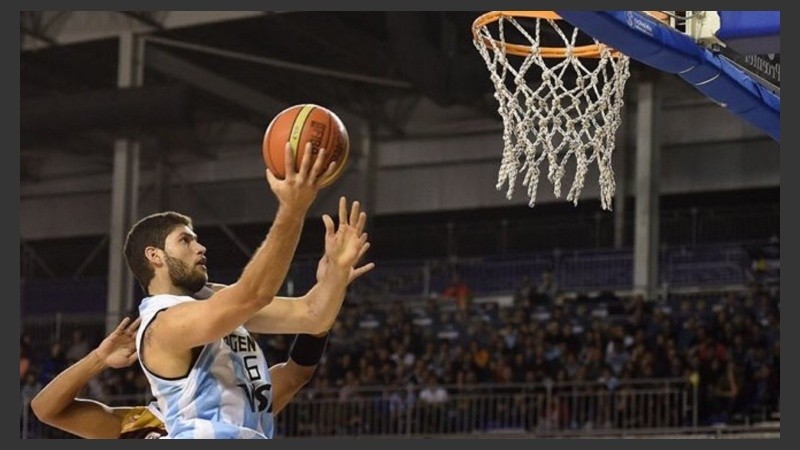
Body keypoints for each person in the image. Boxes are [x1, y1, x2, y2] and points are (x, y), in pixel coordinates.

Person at [127, 143, 370, 439]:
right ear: (155, 256)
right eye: (185, 241)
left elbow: (313, 315)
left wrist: (334, 277)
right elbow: (253, 294)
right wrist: (293, 209)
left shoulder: (209, 298)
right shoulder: (163, 324)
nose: (201, 248)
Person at [30, 245, 373, 439]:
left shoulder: (237, 408)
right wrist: (99, 358)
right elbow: (45, 409)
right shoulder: (138, 422)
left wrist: (332, 291)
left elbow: (298, 372)